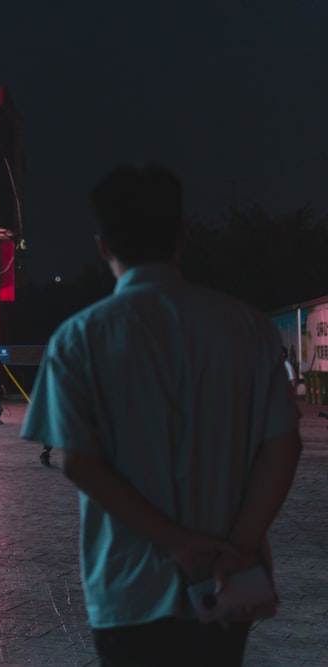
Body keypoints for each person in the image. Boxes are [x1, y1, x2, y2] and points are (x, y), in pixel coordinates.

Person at [20, 163, 302, 665]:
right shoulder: (249, 329)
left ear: (104, 245)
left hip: (127, 585)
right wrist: (237, 547)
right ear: (182, 235)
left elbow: (77, 460)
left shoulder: (79, 338)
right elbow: (283, 444)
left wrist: (176, 543)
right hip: (229, 578)